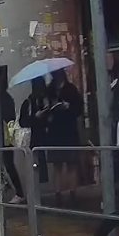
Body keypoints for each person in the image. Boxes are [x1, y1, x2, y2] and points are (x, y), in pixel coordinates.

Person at [45, 69, 83, 205]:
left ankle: (72, 192)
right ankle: (58, 194)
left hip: (69, 130)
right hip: (55, 132)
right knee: (57, 165)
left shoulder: (71, 89)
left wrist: (69, 107)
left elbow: (79, 108)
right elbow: (45, 108)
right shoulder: (49, 90)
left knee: (72, 164)